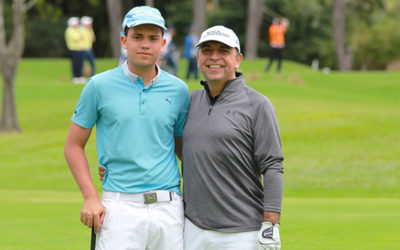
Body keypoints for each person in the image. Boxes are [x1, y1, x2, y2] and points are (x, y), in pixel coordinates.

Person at [64, 6, 190, 250]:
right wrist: (90, 197)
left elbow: (184, 150)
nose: (145, 44)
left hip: (169, 207)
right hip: (119, 207)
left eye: (153, 38)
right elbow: (73, 146)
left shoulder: (179, 90)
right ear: (124, 40)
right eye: (138, 37)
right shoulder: (98, 86)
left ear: (162, 43)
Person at [182, 25, 284, 249]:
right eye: (207, 50)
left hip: (241, 232)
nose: (214, 57)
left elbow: (273, 165)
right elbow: (174, 148)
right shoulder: (190, 102)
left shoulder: (257, 105)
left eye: (223, 51)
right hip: (192, 228)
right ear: (198, 57)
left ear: (237, 59)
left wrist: (270, 222)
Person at [65, 17, 85, 84]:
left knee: (80, 63)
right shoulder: (69, 30)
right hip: (73, 50)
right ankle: (75, 77)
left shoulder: (77, 30)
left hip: (80, 49)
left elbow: (83, 36)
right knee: (75, 64)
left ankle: (80, 76)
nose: (77, 25)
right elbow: (77, 38)